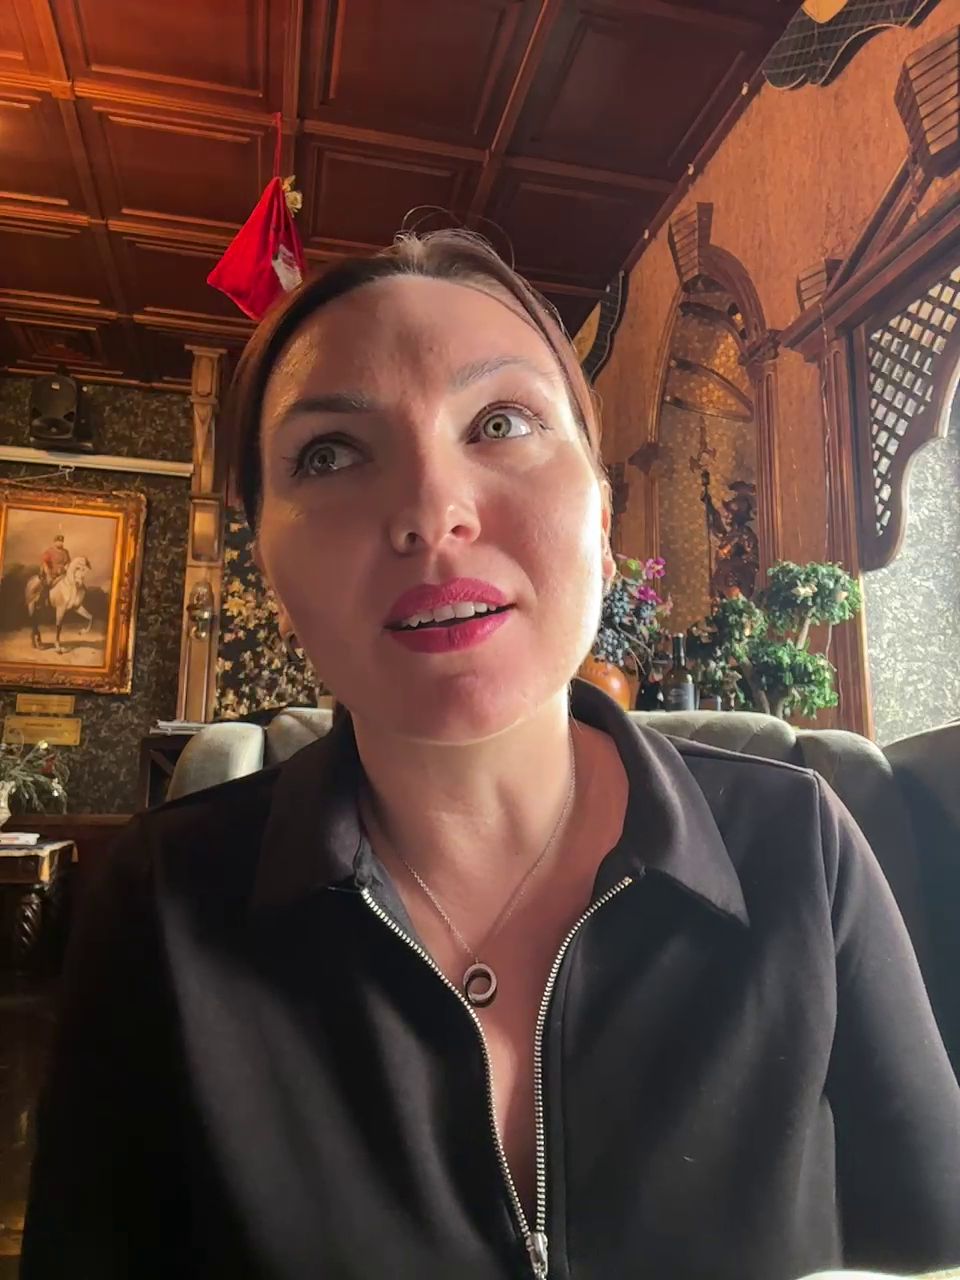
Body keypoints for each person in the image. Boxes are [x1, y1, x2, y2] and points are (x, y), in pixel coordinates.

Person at [21, 231, 960, 1280]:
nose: (432, 513)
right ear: (268, 566)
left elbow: (934, 1248)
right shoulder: (161, 902)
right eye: (330, 453)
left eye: (501, 422)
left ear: (603, 516)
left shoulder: (799, 843)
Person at [37, 531, 71, 611]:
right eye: (58, 541)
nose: (60, 543)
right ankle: (41, 602)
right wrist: (48, 574)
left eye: (61, 541)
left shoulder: (65, 552)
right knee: (47, 584)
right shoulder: (49, 551)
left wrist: (66, 567)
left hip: (63, 573)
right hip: (51, 572)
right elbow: (45, 563)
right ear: (55, 542)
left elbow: (68, 562)